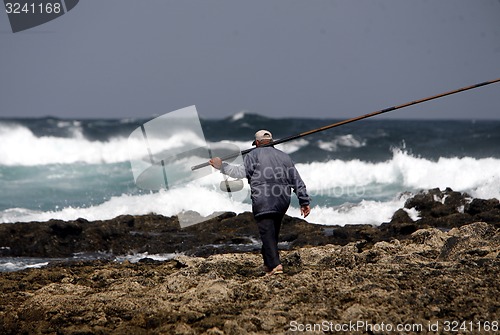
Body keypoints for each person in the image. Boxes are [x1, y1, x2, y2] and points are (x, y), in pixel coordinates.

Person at [209, 129, 311, 276]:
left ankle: (276, 265)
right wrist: (304, 201)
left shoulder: (253, 155)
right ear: (272, 141)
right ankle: (268, 264)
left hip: (263, 200)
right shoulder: (284, 157)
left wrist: (221, 166)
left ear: (257, 143)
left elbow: (239, 173)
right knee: (271, 233)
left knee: (267, 233)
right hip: (282, 201)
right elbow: (297, 181)